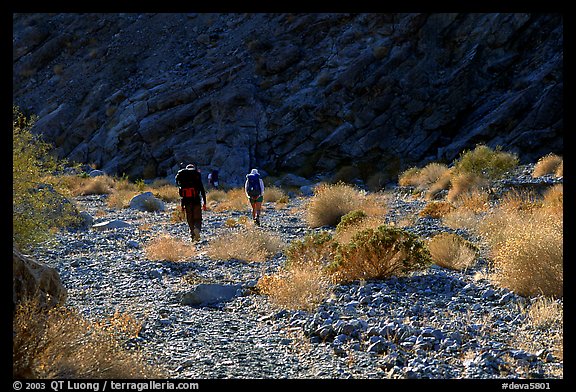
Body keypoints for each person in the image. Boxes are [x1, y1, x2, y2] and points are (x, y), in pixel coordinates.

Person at [175, 164, 207, 241]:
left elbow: (181, 194)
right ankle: (197, 230)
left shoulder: (182, 176)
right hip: (196, 200)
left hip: (186, 202)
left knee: (190, 219)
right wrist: (204, 203)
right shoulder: (196, 175)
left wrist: (182, 206)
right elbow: (202, 191)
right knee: (198, 218)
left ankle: (193, 234)